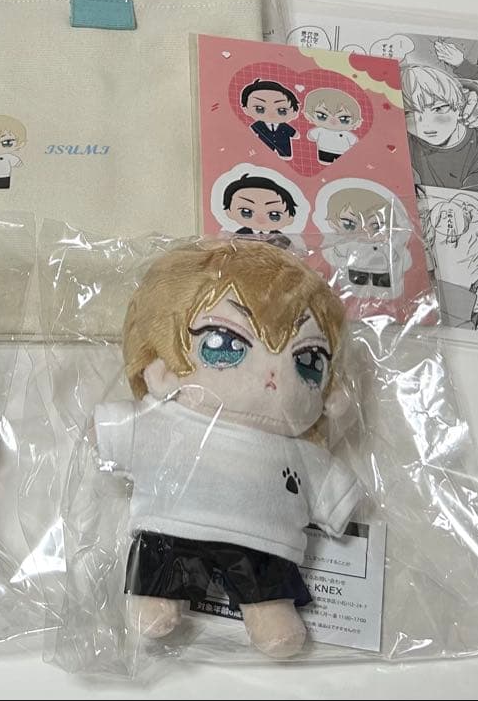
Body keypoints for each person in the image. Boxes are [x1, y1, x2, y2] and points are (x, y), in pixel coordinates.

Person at [96, 240, 362, 658]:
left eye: (307, 360)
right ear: (163, 367)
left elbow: (337, 494)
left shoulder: (300, 452)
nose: (273, 375)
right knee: (160, 560)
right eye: (224, 343)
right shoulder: (167, 420)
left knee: (268, 579)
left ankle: (269, 611)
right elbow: (116, 432)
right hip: (172, 528)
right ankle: (155, 596)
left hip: (266, 545)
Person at [401, 65, 478, 192]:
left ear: (460, 106)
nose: (425, 124)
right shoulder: (406, 142)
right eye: (409, 113)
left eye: (438, 108)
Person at [240, 79, 300, 158]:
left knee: (285, 156)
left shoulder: (284, 126)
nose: (271, 115)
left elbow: (295, 134)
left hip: (283, 146)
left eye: (282, 110)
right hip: (265, 148)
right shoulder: (258, 125)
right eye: (259, 108)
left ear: (294, 112)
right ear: (246, 109)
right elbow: (250, 133)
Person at [221, 173, 298, 235]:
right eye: (246, 212)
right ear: (229, 211)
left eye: (274, 215)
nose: (260, 220)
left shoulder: (279, 238)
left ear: (289, 219)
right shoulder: (240, 234)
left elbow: (287, 247)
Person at [302, 88, 363, 165]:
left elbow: (354, 141)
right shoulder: (320, 130)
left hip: (342, 152)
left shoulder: (346, 134)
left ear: (356, 122)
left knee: (342, 165)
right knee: (325, 162)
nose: (333, 121)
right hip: (324, 150)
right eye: (322, 116)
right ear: (309, 115)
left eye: (344, 119)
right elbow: (311, 136)